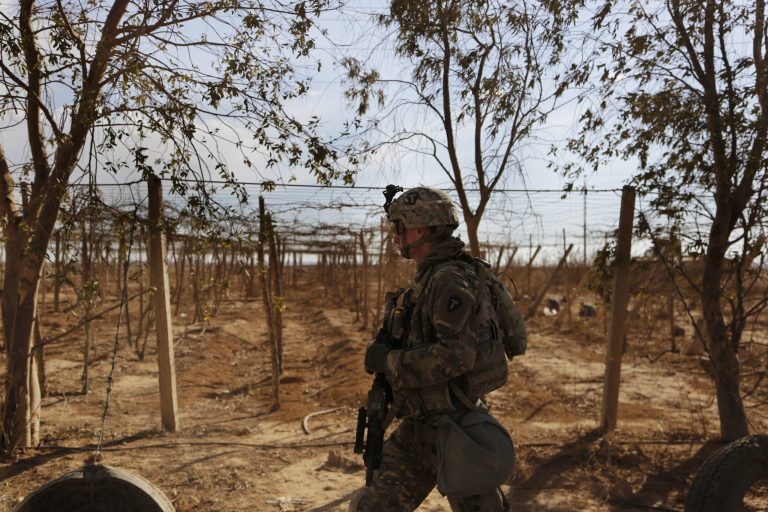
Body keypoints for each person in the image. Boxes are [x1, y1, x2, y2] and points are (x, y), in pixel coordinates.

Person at [349, 187, 516, 512]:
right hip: (421, 427)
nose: (395, 236)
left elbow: (456, 357)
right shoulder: (430, 280)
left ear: (421, 229)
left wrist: (391, 361)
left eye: (400, 227)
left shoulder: (449, 280)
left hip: (455, 432)